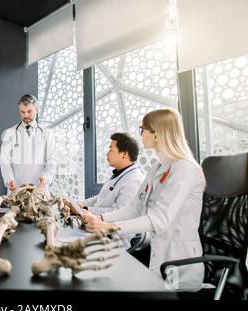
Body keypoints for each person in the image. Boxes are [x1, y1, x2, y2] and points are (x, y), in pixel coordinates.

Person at [81, 108, 205, 291]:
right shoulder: (158, 167)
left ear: (157, 133)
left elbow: (159, 220)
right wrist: (100, 220)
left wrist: (109, 227)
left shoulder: (185, 169)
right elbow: (133, 209)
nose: (141, 135)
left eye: (143, 129)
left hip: (180, 266)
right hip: (159, 261)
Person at [64, 132, 144, 249]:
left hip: (117, 238)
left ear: (124, 154)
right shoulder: (117, 174)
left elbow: (120, 212)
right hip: (100, 229)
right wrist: (79, 204)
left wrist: (86, 210)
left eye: (111, 149)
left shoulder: (134, 180)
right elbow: (99, 198)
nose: (107, 153)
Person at [0, 94, 56, 193]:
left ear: (37, 110)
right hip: (17, 189)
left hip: (39, 189)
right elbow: (4, 161)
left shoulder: (46, 133)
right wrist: (9, 179)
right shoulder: (10, 133)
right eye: (22, 112)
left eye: (29, 111)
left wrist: (46, 178)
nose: (25, 115)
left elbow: (51, 160)